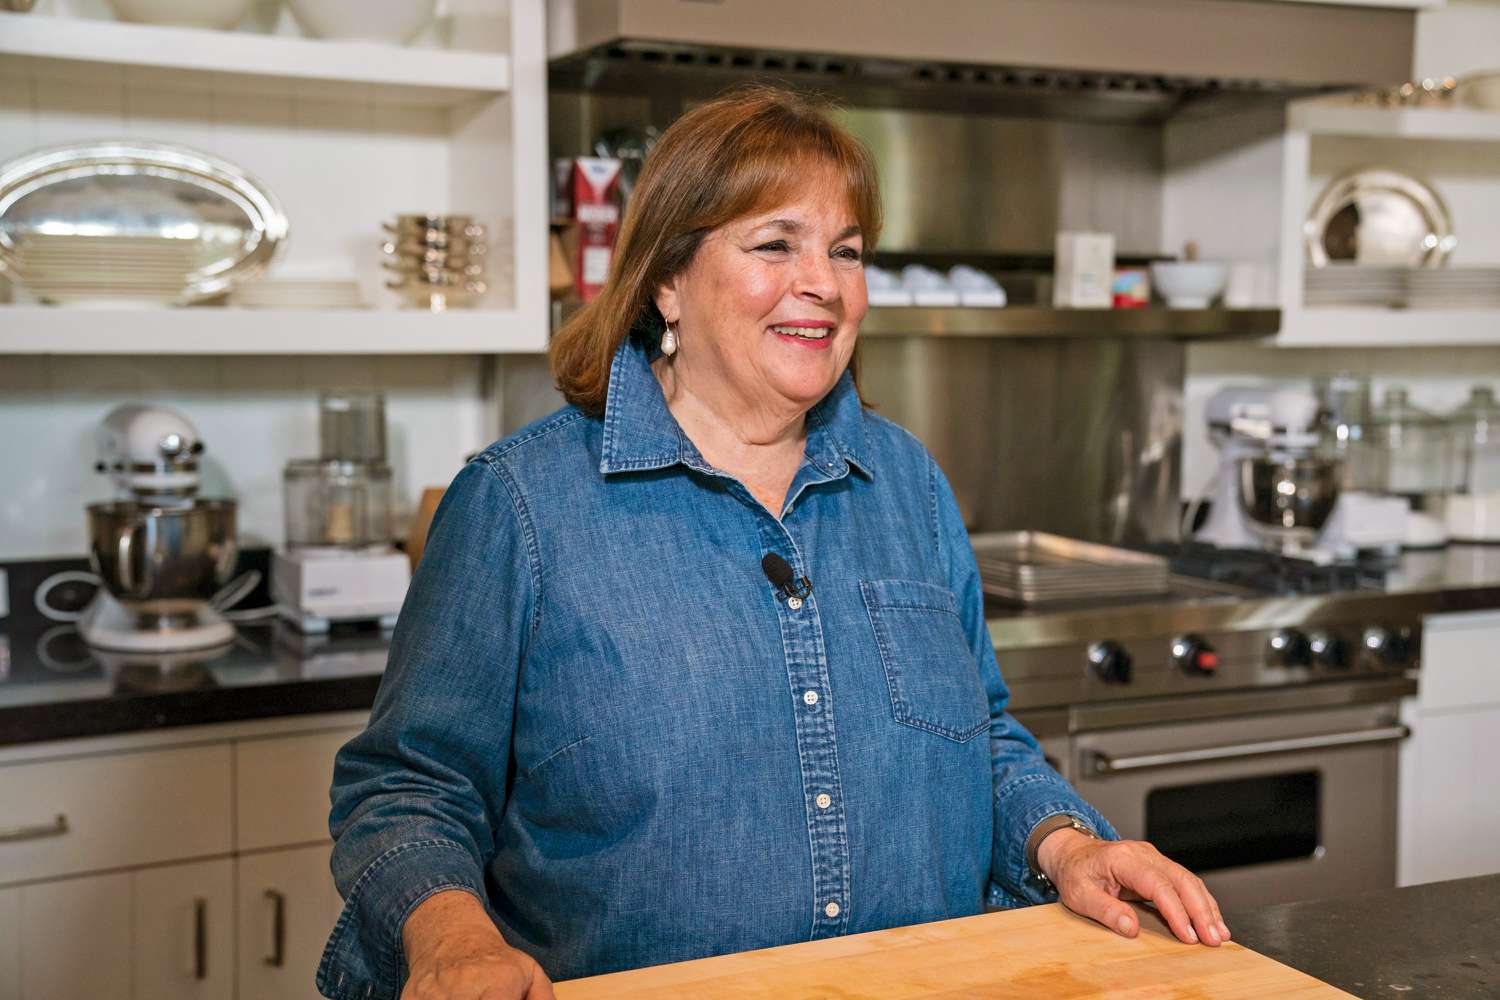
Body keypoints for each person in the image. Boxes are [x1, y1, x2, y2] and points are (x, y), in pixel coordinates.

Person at [317, 86, 1228, 1000]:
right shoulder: (523, 503)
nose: (824, 283)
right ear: (666, 280)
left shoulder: (905, 483)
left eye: (846, 252)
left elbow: (980, 741)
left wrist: (1069, 847)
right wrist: (451, 935)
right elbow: (409, 785)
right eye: (775, 244)